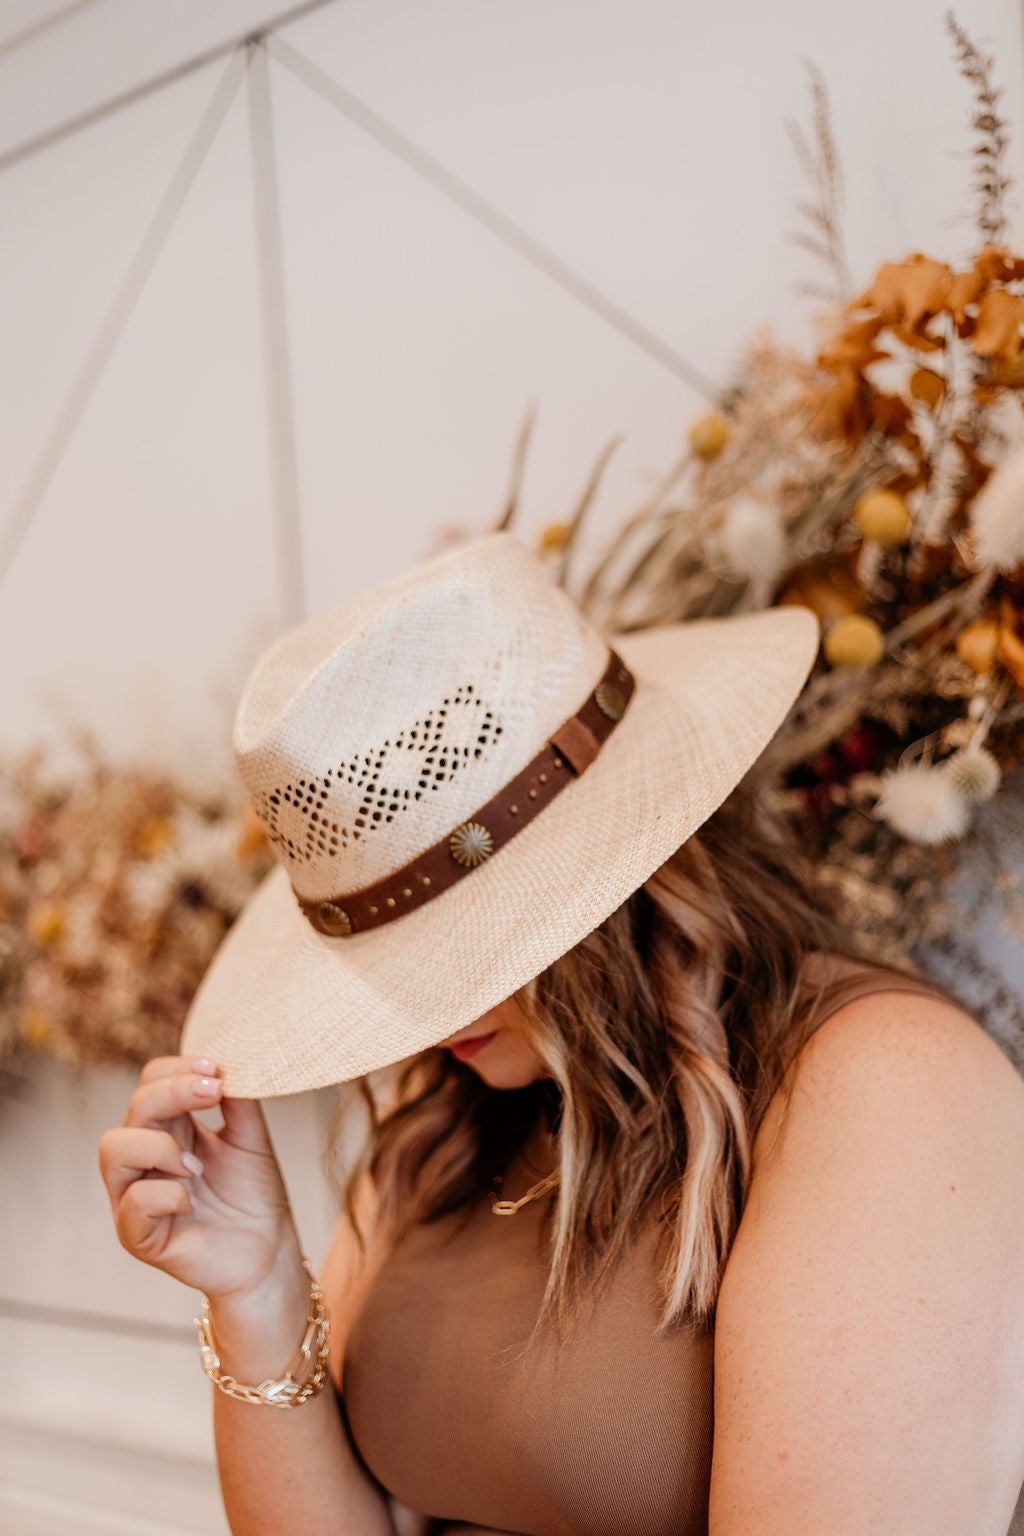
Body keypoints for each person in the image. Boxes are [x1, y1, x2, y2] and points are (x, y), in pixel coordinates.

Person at [98, 532, 1024, 1535]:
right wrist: (259, 1288)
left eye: (459, 944)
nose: (427, 1007)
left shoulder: (880, 1085)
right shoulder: (453, 1109)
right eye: (394, 956)